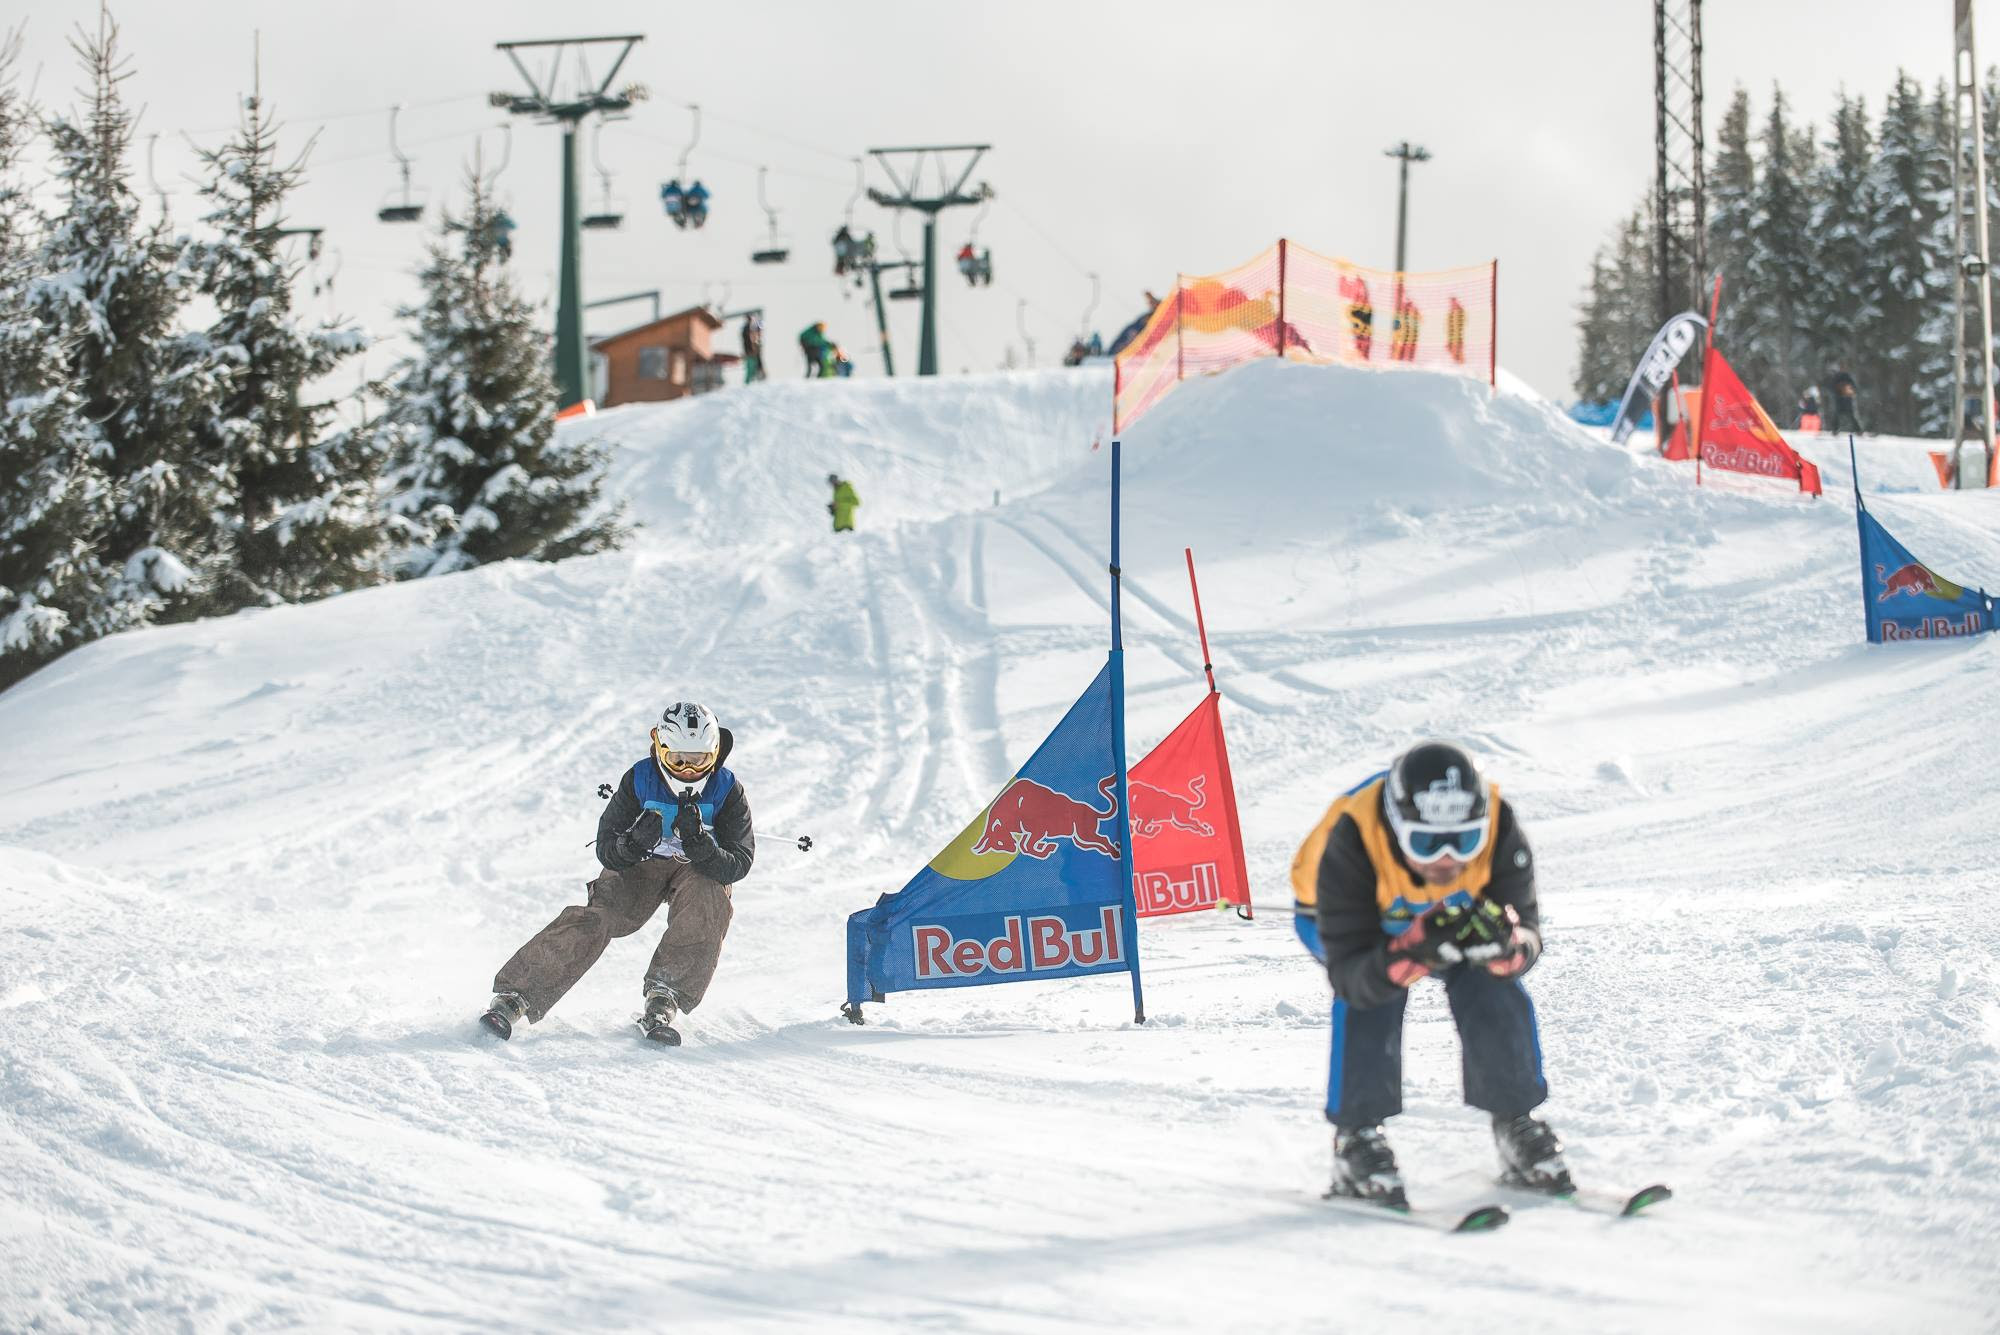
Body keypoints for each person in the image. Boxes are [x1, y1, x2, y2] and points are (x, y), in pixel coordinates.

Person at [1288, 741, 1565, 1207]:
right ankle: (1356, 1136)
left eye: (1465, 841)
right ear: (1397, 828)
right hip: (1351, 918)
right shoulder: (1353, 835)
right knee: (1377, 991)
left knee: (1490, 979)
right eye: (1426, 842)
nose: (1447, 858)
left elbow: (1529, 934)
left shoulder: (1501, 823)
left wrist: (1508, 951)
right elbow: (1351, 975)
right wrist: (1409, 952)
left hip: (1451, 912)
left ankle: (1515, 1119)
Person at [481, 702, 755, 1046]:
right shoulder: (640, 779)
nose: (687, 769)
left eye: (698, 760)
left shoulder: (728, 789)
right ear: (660, 747)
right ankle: (515, 996)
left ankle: (665, 996)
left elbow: (740, 861)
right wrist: (633, 844)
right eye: (678, 760)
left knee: (710, 898)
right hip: (640, 867)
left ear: (714, 753)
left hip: (697, 870)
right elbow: (606, 846)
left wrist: (701, 844)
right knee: (599, 918)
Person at [1827, 365, 1864, 435]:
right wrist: (1838, 391)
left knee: (1851, 415)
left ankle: (1858, 431)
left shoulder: (1848, 376)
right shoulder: (1837, 377)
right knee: (1837, 415)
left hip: (1847, 399)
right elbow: (1831, 387)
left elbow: (1854, 387)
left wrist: (1849, 391)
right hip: (1839, 399)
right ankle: (1835, 430)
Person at [741, 313, 766, 384]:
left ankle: (754, 380)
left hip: (751, 351)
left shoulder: (750, 328)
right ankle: (749, 381)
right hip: (750, 351)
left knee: (754, 366)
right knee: (751, 367)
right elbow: (748, 340)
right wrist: (752, 349)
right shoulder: (747, 329)